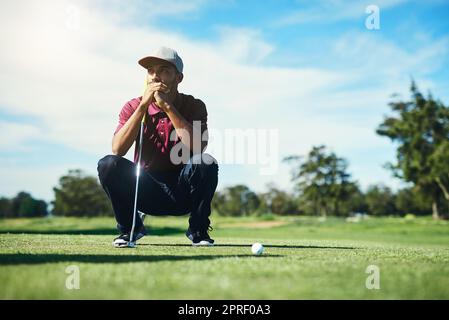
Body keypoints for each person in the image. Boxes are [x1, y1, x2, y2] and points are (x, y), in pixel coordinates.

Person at [97, 47, 219, 247]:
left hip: (183, 190)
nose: (155, 76)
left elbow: (198, 148)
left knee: (205, 163)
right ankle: (130, 230)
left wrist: (167, 107)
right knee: (108, 164)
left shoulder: (194, 105)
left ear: (179, 78)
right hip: (144, 190)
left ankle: (198, 231)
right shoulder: (132, 105)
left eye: (164, 70)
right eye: (150, 70)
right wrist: (143, 106)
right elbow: (118, 150)